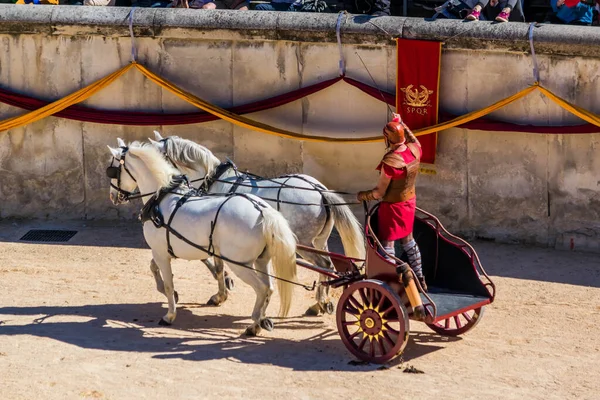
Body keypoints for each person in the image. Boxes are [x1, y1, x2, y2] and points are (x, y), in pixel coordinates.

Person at [356, 114, 427, 292]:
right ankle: (420, 277)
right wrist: (401, 122)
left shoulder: (390, 162)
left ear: (387, 138)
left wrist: (362, 195)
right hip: (409, 202)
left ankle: (392, 283)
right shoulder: (415, 150)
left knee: (387, 246)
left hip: (392, 207)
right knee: (408, 241)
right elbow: (413, 139)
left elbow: (379, 192)